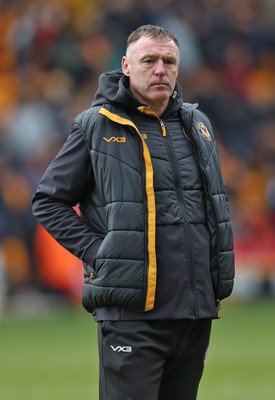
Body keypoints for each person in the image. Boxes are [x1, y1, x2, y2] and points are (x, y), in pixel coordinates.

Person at [32, 24, 235, 400]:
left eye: (169, 61)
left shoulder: (199, 125)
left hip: (194, 313)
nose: (161, 69)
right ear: (126, 66)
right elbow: (48, 201)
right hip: (131, 317)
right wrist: (100, 253)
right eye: (150, 61)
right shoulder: (95, 125)